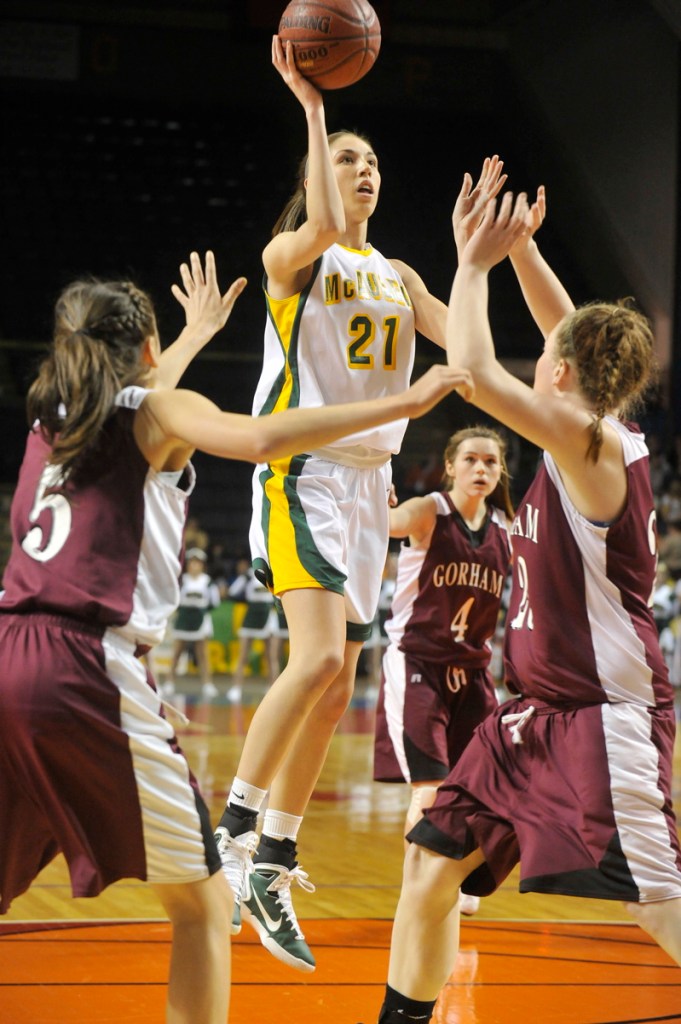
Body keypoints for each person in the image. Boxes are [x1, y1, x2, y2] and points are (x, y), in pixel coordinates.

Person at [0, 249, 472, 1024]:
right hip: (83, 662)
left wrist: (189, 335)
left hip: (12, 648)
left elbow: (137, 393)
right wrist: (403, 401)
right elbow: (260, 438)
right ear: (148, 348)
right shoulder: (159, 409)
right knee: (206, 907)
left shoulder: (52, 420)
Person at [212, 34, 506, 974]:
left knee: (335, 682)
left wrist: (475, 264)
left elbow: (463, 357)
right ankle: (234, 832)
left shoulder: (395, 274)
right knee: (309, 664)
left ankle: (277, 854)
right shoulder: (293, 257)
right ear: (317, 178)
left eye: (372, 160)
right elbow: (321, 221)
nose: (364, 169)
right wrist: (311, 107)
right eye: (347, 160)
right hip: (301, 473)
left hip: (368, 482)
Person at [366, 178, 681, 1024]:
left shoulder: (587, 442)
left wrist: (473, 263)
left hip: (603, 715)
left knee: (655, 903)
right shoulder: (588, 421)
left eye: (547, 353)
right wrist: (523, 252)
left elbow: (469, 371)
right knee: (430, 862)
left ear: (563, 373)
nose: (535, 355)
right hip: (531, 713)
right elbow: (561, 328)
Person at [372, 425, 513, 916]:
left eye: (491, 462)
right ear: (450, 466)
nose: (481, 469)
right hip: (420, 666)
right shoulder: (431, 511)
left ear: (501, 472)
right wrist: (377, 502)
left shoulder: (506, 531)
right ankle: (421, 893)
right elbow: (391, 522)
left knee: (486, 784)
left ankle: (458, 872)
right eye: (471, 459)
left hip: (474, 675)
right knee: (430, 790)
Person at [164, 547, 222, 700]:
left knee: (202, 654)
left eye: (198, 562)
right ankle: (169, 683)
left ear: (202, 565)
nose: (194, 565)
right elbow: (174, 599)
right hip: (183, 620)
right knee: (176, 653)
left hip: (201, 621)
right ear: (188, 564)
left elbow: (214, 602)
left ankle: (207, 684)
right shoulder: (182, 580)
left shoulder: (208, 582)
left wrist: (201, 611)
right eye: (192, 562)